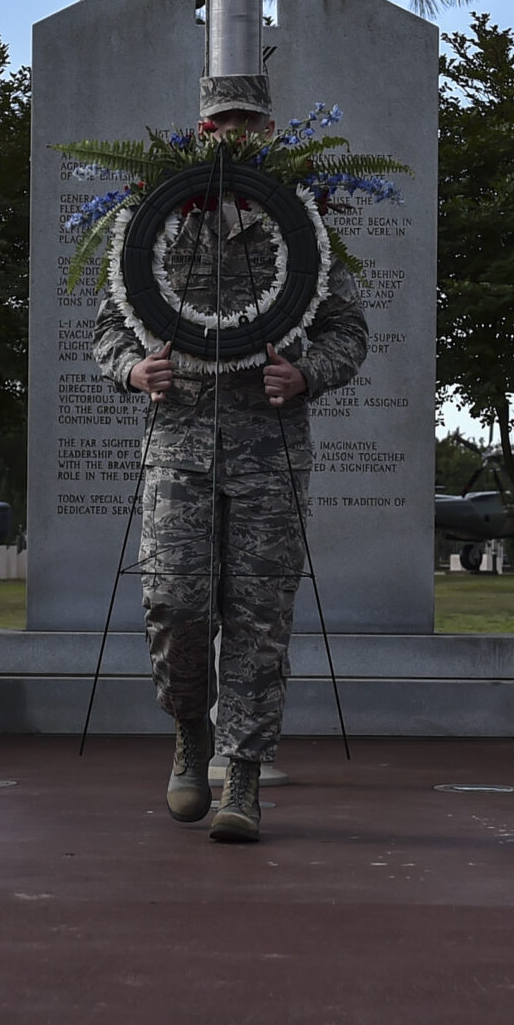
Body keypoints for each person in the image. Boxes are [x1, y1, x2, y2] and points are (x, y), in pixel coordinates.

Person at [91, 76, 371, 844]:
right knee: (175, 605)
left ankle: (242, 777)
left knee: (259, 619)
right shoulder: (157, 223)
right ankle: (190, 731)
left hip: (267, 453)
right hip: (177, 449)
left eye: (247, 123)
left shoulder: (303, 227)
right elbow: (109, 329)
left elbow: (349, 330)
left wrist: (308, 373)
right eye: (221, 123)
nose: (233, 137)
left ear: (271, 130)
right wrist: (131, 370)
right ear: (200, 128)